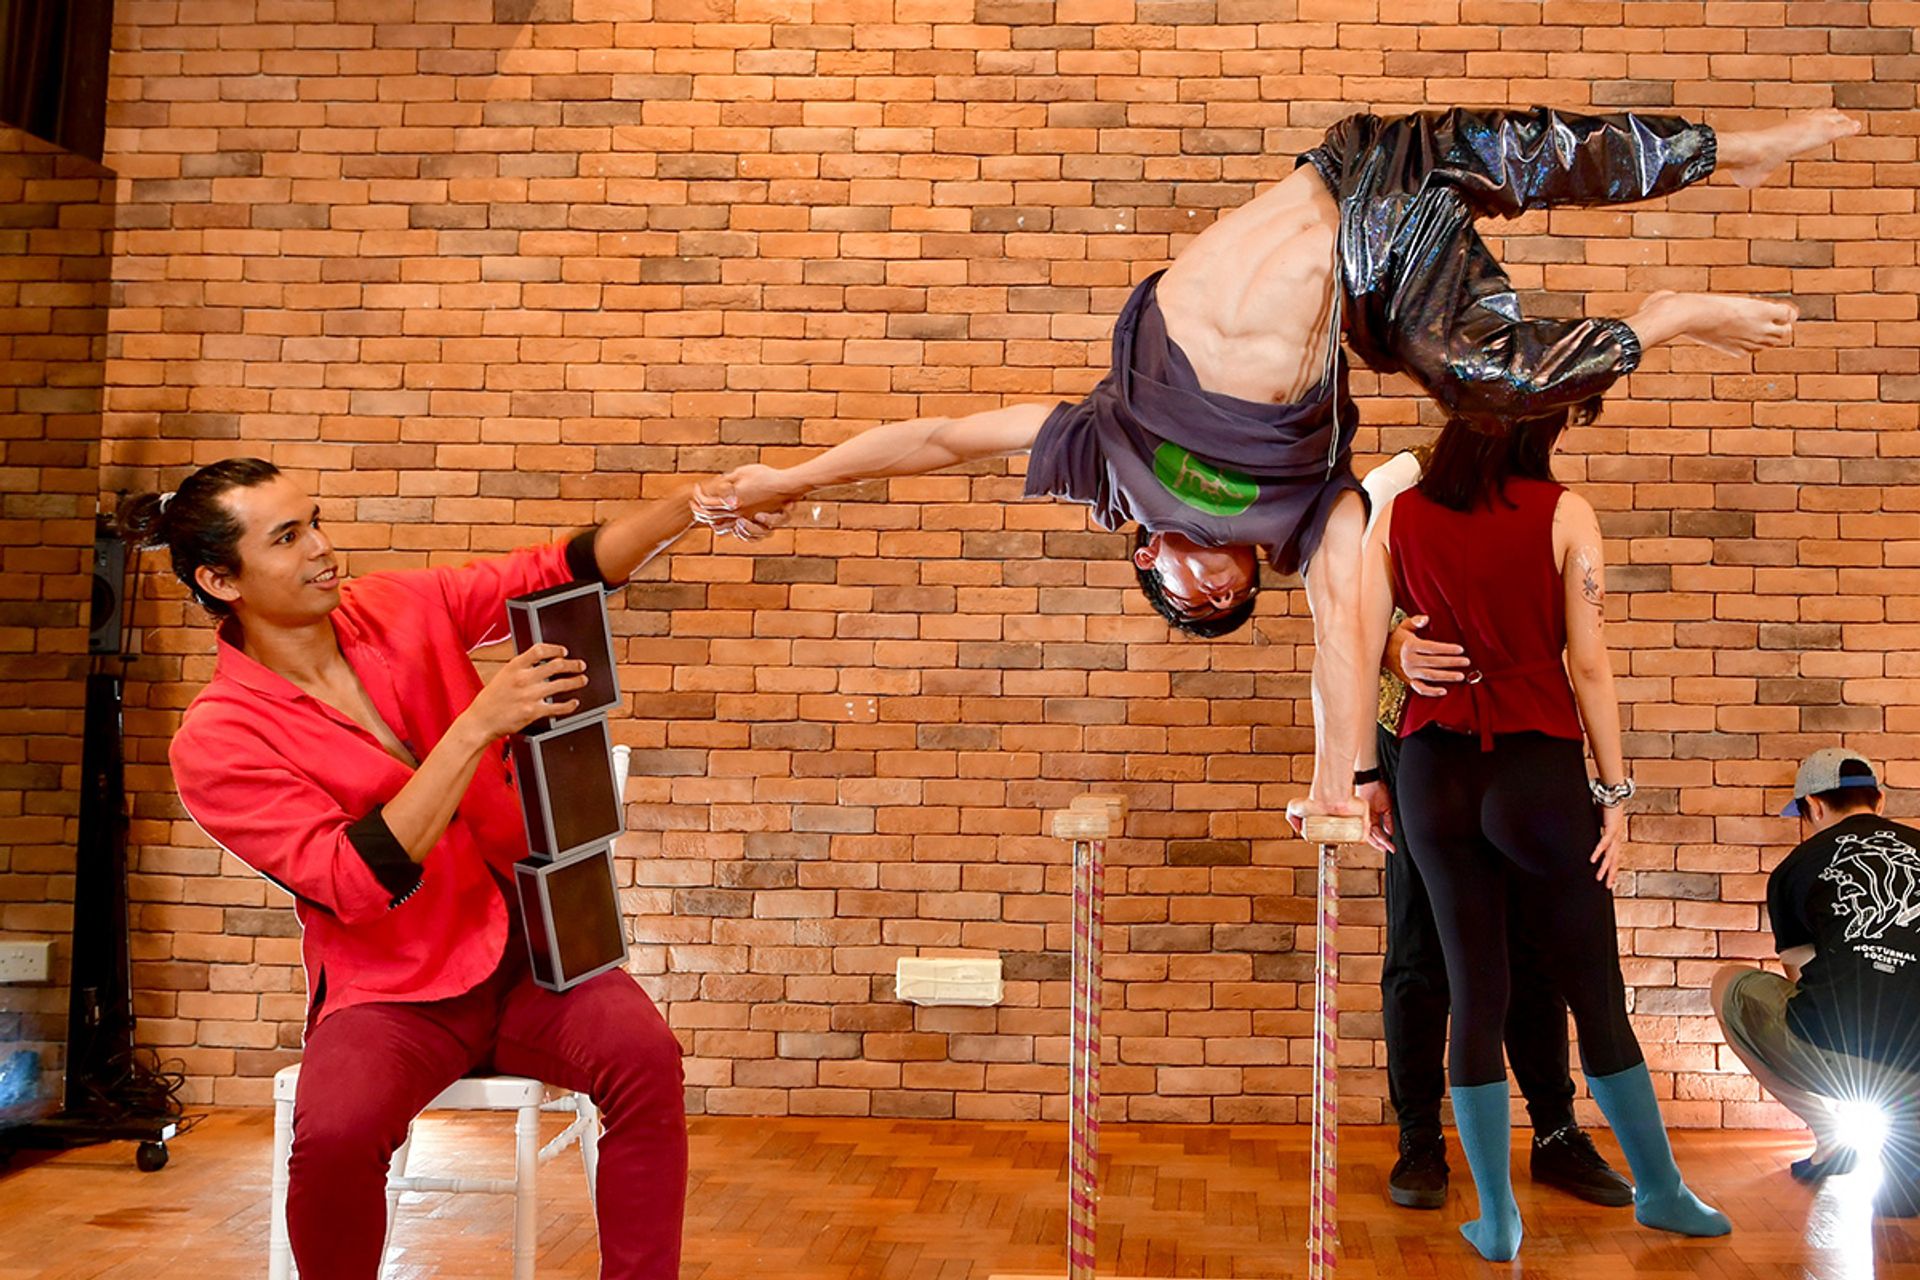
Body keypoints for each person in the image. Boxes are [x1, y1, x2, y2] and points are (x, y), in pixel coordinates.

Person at [695, 106, 1852, 827]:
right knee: (1492, 378)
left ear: (1146, 553)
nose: (1219, 587)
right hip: (1377, 266)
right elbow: (1344, 633)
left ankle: (1732, 149)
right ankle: (1666, 313)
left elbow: (938, 441)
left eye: (1192, 597)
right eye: (1233, 597)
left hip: (1353, 165)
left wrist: (785, 479)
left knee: (1546, 167)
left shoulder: (1103, 455)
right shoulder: (1309, 519)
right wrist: (1344, 773)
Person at [120, 457, 780, 1279]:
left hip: (537, 962)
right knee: (334, 1136)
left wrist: (693, 503)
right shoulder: (218, 740)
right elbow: (359, 881)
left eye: (317, 520)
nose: (325, 549)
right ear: (221, 579)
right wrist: (475, 726)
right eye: (289, 538)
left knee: (646, 1060)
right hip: (391, 992)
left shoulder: (398, 605)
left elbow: (566, 566)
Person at [1352, 408, 1728, 1260]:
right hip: (1537, 770)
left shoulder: (1400, 515)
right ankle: (1662, 1190)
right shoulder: (1564, 512)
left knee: (1474, 996)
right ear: (1535, 433)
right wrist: (1615, 791)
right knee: (1593, 992)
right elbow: (1587, 662)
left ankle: (1496, 1217)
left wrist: (1364, 773)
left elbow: (1357, 641)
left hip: (1431, 776)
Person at [1363, 451, 1631, 1212]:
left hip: (1521, 746)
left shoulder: (1539, 498)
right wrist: (1394, 653)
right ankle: (1421, 1139)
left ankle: (1554, 1131)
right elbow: (1348, 623)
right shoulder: (1396, 490)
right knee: (1421, 952)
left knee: (1530, 946)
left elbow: (1576, 647)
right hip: (1414, 741)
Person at [1711, 749, 1920, 1218]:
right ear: (1879, 801)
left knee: (1729, 985)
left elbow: (1802, 980)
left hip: (1841, 1054)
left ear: (1814, 807)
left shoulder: (1795, 868)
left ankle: (1831, 1138)